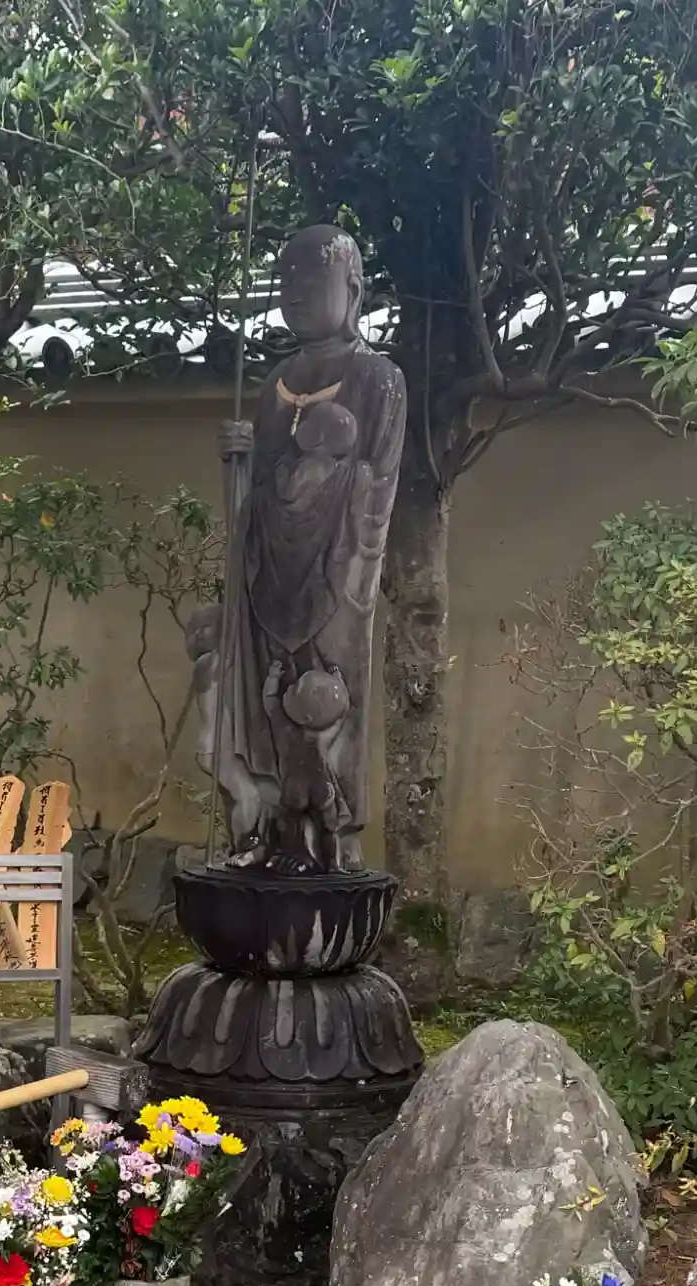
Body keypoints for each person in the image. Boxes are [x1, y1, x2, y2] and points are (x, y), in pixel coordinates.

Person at [191, 225, 405, 873]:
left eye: (312, 280)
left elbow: (375, 487)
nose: (295, 293)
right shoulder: (275, 382)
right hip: (267, 572)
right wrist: (239, 464)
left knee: (319, 700)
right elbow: (254, 494)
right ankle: (262, 827)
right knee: (260, 697)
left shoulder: (378, 379)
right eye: (285, 281)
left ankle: (328, 836)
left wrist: (321, 483)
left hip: (334, 574)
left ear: (353, 288)